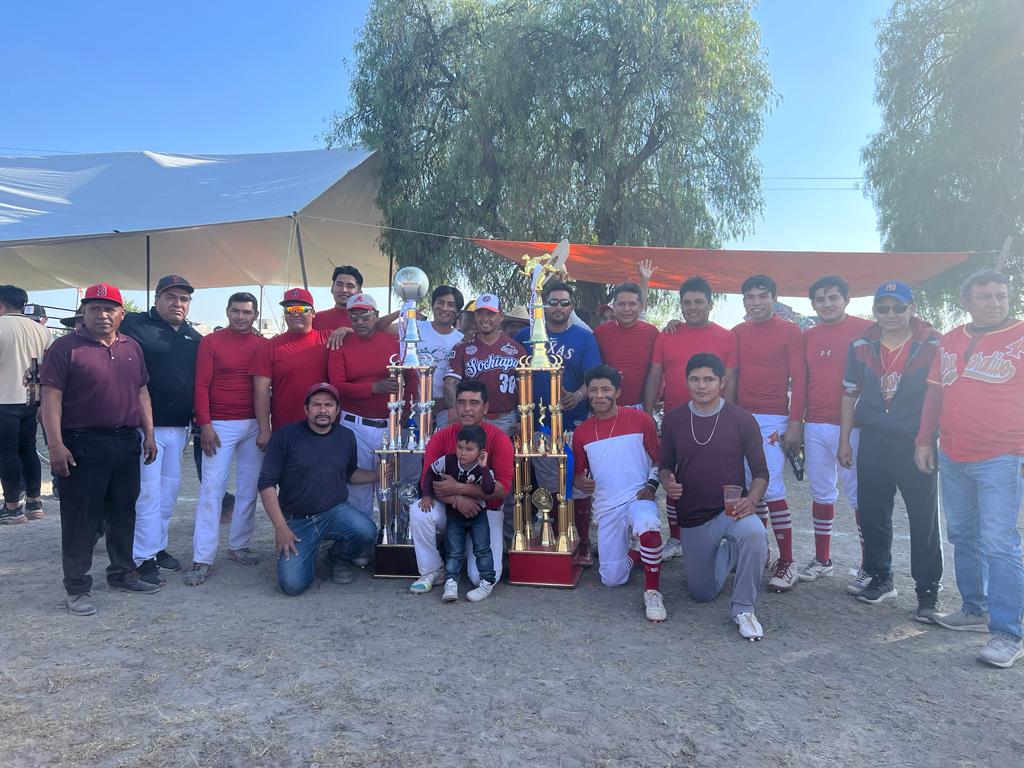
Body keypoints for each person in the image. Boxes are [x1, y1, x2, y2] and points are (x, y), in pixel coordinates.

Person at [914, 270, 1024, 668]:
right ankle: (974, 610)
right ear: (966, 301)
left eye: (1001, 295)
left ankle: (1008, 633)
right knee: (962, 534)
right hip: (954, 452)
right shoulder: (951, 339)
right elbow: (935, 392)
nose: (994, 302)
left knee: (1000, 542)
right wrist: (924, 440)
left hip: (1003, 455)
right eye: (985, 296)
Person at [39, 283, 161, 615]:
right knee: (80, 517)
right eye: (94, 308)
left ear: (122, 313)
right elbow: (51, 399)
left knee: (124, 511)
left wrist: (149, 433)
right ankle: (77, 587)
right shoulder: (65, 348)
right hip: (82, 443)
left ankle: (122, 573)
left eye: (109, 308)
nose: (102, 314)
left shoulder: (131, 347)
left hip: (125, 441)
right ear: (84, 313)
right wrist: (55, 444)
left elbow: (142, 393)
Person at [839, 280, 942, 619]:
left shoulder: (932, 343)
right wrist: (844, 439)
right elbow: (849, 393)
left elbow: (939, 395)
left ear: (911, 308)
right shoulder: (861, 344)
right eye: (883, 308)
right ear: (876, 311)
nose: (891, 314)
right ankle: (881, 577)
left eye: (899, 307)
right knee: (872, 512)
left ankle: (928, 591)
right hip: (874, 439)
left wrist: (928, 439)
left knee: (923, 518)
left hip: (916, 442)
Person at [659, 353, 770, 640]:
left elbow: (760, 473)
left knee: (755, 534)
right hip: (693, 516)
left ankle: (744, 609)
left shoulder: (743, 420)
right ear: (686, 382)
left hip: (731, 511)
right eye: (694, 379)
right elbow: (665, 466)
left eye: (709, 379)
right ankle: (729, 553)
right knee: (702, 593)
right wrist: (668, 482)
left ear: (722, 382)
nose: (701, 385)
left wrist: (753, 501)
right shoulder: (673, 420)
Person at [642, 275, 738, 562]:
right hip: (675, 418)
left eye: (698, 302)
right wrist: (647, 413)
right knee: (674, 476)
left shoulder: (727, 336)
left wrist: (727, 417)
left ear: (710, 304)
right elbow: (655, 374)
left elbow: (730, 380)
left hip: (714, 418)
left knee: (717, 478)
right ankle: (677, 538)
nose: (692, 307)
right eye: (687, 303)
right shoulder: (667, 335)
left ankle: (724, 537)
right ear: (680, 305)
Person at [257, 383, 379, 596]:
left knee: (367, 531)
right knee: (293, 586)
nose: (323, 410)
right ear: (306, 409)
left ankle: (337, 557)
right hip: (297, 521)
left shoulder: (346, 436)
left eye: (329, 405)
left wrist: (378, 475)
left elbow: (350, 474)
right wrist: (281, 527)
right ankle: (308, 553)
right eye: (317, 405)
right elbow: (266, 484)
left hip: (334, 512)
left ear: (337, 410)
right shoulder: (285, 436)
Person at [120, 274, 202, 585]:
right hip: (145, 429)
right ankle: (142, 558)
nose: (177, 303)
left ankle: (158, 546)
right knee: (147, 495)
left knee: (168, 493)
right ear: (157, 299)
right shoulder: (135, 325)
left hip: (179, 428)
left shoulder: (194, 337)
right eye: (171, 297)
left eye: (183, 298)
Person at [514, 281, 602, 562]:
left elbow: (594, 378)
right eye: (553, 302)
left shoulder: (584, 338)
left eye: (564, 303)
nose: (558, 308)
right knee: (535, 482)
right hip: (533, 424)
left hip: (571, 421)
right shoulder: (524, 336)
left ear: (571, 307)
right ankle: (546, 532)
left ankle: (583, 540)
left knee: (576, 481)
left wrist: (578, 395)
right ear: (542, 306)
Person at [184, 292, 269, 586]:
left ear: (255, 315)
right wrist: (205, 424)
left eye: (247, 312)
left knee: (249, 489)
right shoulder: (211, 343)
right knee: (212, 491)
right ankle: (202, 558)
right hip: (220, 424)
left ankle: (239, 546)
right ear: (227, 312)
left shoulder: (262, 345)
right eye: (236, 311)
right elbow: (201, 385)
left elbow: (264, 389)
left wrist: (263, 426)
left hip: (253, 425)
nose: (241, 317)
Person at [795, 276, 873, 587]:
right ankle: (823, 559)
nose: (827, 304)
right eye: (820, 299)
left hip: (853, 426)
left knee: (859, 496)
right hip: (815, 423)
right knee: (821, 492)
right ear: (813, 304)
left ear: (846, 299)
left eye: (833, 298)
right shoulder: (808, 335)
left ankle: (870, 566)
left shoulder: (866, 330)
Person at [573, 365, 666, 622]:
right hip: (606, 505)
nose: (599, 396)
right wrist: (581, 482)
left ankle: (653, 591)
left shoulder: (641, 420)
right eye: (593, 390)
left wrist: (652, 485)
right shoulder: (581, 432)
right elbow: (579, 474)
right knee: (612, 580)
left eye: (605, 389)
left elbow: (660, 460)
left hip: (639, 496)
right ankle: (639, 551)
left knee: (647, 523)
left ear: (618, 392)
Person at [732, 274, 806, 593]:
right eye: (750, 297)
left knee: (771, 485)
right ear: (744, 301)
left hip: (775, 419)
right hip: (740, 416)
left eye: (762, 296)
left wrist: (795, 422)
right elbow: (731, 376)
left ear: (774, 298)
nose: (756, 302)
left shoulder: (790, 331)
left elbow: (800, 380)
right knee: (749, 484)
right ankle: (759, 550)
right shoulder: (737, 332)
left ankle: (787, 561)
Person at [409, 378, 514, 593]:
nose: (467, 409)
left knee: (483, 579)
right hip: (449, 509)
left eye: (474, 403)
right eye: (461, 402)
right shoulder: (441, 437)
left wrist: (458, 489)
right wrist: (457, 500)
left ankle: (464, 553)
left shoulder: (499, 438)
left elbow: (502, 489)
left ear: (485, 407)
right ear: (455, 406)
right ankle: (432, 570)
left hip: (486, 510)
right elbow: (429, 481)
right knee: (419, 510)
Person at [328, 292, 414, 523]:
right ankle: (362, 543)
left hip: (391, 425)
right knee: (358, 489)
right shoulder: (341, 344)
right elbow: (336, 386)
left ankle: (392, 539)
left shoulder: (395, 342)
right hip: (354, 424)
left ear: (375, 316)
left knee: (394, 485)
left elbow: (412, 377)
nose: (359, 322)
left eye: (364, 316)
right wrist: (374, 387)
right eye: (353, 317)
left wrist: (407, 414)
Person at [419, 423, 498, 602]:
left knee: (483, 549)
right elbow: (429, 473)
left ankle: (486, 582)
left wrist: (484, 467)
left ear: (480, 452)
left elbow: (488, 489)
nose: (462, 453)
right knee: (453, 551)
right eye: (460, 447)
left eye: (469, 449)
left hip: (479, 516)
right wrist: (426, 495)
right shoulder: (448, 461)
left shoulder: (482, 468)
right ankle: (451, 582)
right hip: (454, 515)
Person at [0, 285, 53, 524]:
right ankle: (34, 503)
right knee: (28, 449)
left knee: (7, 453)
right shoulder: (40, 330)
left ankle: (12, 508)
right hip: (32, 397)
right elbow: (47, 364)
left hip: (4, 397)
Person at [250, 288, 330, 444]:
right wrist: (265, 430)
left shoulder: (330, 339)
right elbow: (261, 390)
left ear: (313, 313)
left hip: (325, 429)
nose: (294, 313)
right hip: (285, 430)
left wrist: (345, 330)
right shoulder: (269, 347)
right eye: (289, 309)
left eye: (300, 308)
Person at [445, 294, 525, 435]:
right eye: (481, 314)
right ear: (475, 316)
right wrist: (453, 409)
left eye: (490, 314)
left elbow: (525, 388)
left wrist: (523, 419)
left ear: (500, 316)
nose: (485, 319)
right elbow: (450, 383)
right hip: (472, 419)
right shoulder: (461, 348)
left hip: (507, 419)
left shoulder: (516, 349)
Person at [594, 282, 659, 409]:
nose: (627, 309)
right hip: (605, 408)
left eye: (632, 304)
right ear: (614, 306)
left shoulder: (653, 333)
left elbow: (657, 373)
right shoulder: (599, 333)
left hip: (640, 407)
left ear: (641, 306)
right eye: (621, 304)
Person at [415, 285, 464, 430]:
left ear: (457, 311)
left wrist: (444, 403)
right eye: (440, 302)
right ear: (433, 304)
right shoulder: (416, 327)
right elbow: (380, 327)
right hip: (414, 408)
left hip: (444, 410)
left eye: (451, 304)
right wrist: (405, 311)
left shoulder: (461, 340)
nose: (444, 308)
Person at [313, 264, 400, 333]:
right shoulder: (315, 319)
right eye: (339, 284)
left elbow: (380, 326)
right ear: (332, 289)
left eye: (350, 286)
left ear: (360, 292)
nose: (344, 290)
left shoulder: (369, 320)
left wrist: (402, 311)